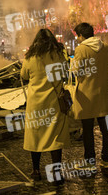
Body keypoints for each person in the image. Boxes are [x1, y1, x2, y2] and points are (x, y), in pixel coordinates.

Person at [20, 29, 70, 184]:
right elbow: (66, 73)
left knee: (35, 136)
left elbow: (24, 75)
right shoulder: (58, 55)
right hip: (54, 102)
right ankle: (56, 173)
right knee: (55, 136)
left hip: (36, 103)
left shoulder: (30, 57)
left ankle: (36, 171)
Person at [71, 23, 108, 177]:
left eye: (77, 36)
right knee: (106, 130)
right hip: (103, 94)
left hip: (87, 96)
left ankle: (89, 162)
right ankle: (106, 161)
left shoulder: (81, 49)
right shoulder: (105, 47)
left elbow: (76, 71)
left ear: (81, 36)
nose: (77, 39)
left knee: (88, 131)